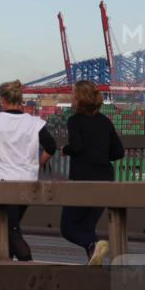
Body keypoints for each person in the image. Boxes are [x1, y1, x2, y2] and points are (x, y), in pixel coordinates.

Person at [0, 79, 57, 262]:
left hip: (2, 182)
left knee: (8, 227)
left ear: (2, 99)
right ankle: (10, 271)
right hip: (28, 182)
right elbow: (51, 146)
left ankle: (27, 262)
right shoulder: (34, 122)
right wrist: (37, 163)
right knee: (11, 225)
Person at [60, 80, 124, 265]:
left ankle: (93, 244)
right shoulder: (105, 122)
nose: (72, 97)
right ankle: (94, 265)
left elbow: (77, 147)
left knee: (68, 228)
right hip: (105, 179)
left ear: (79, 98)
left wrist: (66, 150)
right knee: (87, 226)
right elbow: (119, 152)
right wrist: (100, 154)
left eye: (73, 94)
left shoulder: (74, 121)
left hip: (82, 181)